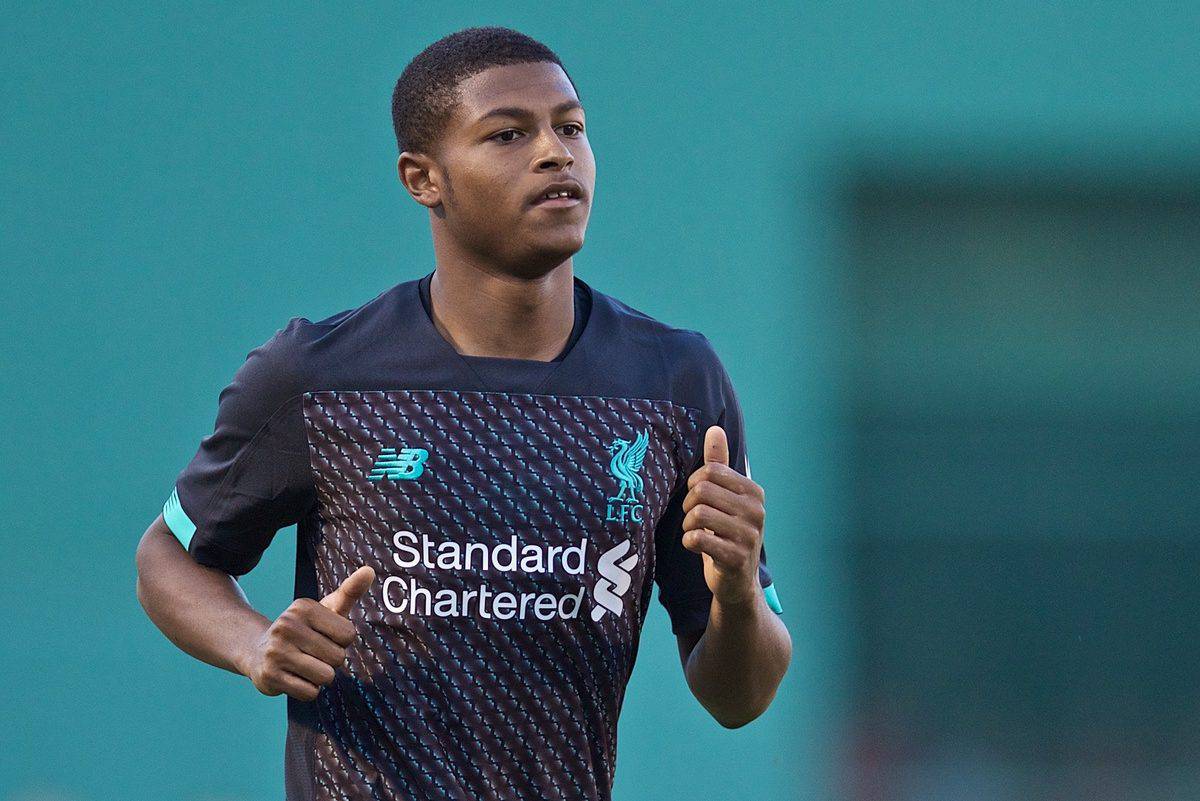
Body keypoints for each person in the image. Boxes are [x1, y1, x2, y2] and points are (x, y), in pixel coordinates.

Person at [135, 25, 791, 801]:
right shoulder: (319, 375)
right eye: (509, 133)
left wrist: (740, 589)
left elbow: (738, 697)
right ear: (424, 179)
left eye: (571, 127)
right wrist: (256, 645)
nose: (556, 153)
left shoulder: (677, 384)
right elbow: (169, 556)